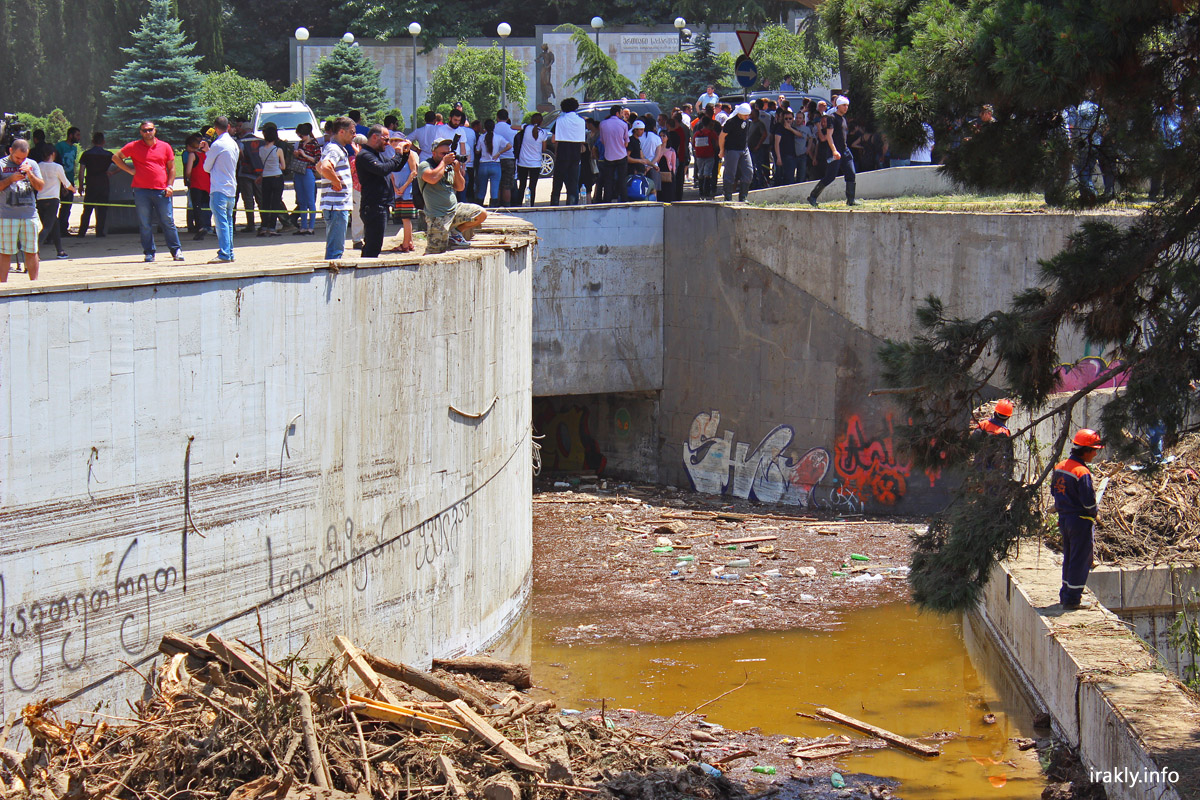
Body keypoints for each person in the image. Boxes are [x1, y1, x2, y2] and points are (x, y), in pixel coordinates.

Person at [113, 120, 184, 262]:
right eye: (144, 130)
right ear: (140, 132)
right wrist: (130, 170)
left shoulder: (164, 146)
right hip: (141, 191)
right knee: (145, 223)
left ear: (155, 130)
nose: (147, 132)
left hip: (161, 190)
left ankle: (176, 250)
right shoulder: (133, 146)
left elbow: (172, 168)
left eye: (150, 129)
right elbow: (116, 157)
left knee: (168, 220)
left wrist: (170, 186)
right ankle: (149, 252)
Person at [1051, 429, 1105, 610]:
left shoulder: (1060, 466)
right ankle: (1073, 600)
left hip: (1064, 519)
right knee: (1080, 559)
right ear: (1086, 450)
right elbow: (1088, 500)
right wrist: (1094, 513)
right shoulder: (1082, 472)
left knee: (1069, 557)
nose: (1096, 454)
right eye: (1094, 450)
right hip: (1080, 521)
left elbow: (1054, 491)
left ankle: (1065, 594)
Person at [418, 137, 487, 254]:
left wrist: (456, 171)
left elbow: (460, 187)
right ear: (433, 153)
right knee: (435, 252)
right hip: (437, 216)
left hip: (454, 211)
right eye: (442, 154)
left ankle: (455, 232)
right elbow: (432, 178)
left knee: (481, 213)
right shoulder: (425, 165)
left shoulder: (449, 167)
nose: (446, 156)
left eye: (448, 153)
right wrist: (444, 162)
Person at [355, 124, 411, 258]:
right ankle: (366, 271)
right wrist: (397, 153)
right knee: (372, 246)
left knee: (375, 244)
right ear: (375, 137)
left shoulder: (377, 155)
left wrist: (405, 153)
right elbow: (383, 169)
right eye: (386, 140)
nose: (387, 144)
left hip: (381, 206)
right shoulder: (365, 155)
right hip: (374, 206)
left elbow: (395, 167)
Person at [0, 139, 45, 281]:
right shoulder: (1, 164)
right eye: (17, 157)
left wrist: (30, 174)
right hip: (6, 215)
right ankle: (3, 285)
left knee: (32, 251)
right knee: (5, 252)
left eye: (23, 158)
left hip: (29, 214)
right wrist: (10, 179)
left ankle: (34, 284)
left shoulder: (32, 164)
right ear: (11, 151)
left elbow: (40, 187)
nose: (20, 161)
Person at [315, 116, 356, 260]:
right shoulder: (335, 149)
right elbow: (325, 167)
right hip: (336, 206)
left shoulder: (333, 148)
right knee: (335, 250)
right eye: (351, 132)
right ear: (341, 132)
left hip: (335, 205)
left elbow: (319, 166)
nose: (354, 135)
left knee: (335, 247)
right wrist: (337, 182)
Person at [806, 96, 856, 208]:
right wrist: (834, 151)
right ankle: (813, 196)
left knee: (851, 173)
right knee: (830, 176)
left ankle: (851, 200)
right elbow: (829, 136)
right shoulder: (832, 118)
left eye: (847, 105)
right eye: (844, 105)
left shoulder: (843, 118)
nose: (846, 107)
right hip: (836, 151)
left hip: (845, 150)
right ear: (838, 105)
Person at [203, 116, 239, 263]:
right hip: (231, 187)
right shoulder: (233, 144)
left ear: (216, 128)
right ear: (228, 127)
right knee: (228, 221)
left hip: (219, 187)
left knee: (221, 222)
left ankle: (224, 253)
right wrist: (208, 150)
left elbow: (206, 167)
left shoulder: (218, 144)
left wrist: (207, 151)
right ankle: (229, 252)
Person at [36, 147, 73, 259]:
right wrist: (73, 189)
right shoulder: (57, 167)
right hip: (52, 199)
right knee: (47, 227)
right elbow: (66, 182)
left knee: (54, 224)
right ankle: (34, 250)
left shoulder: (38, 166)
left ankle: (60, 251)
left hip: (40, 199)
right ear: (53, 154)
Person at [549, 97, 586, 206]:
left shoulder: (560, 120)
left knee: (558, 180)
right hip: (575, 152)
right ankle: (572, 202)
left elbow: (553, 139)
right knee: (573, 180)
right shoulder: (581, 121)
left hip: (562, 151)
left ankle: (555, 202)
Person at [387, 131, 420, 252]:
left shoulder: (409, 154)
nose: (395, 143)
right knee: (402, 217)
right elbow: (392, 174)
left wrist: (404, 187)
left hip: (407, 190)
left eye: (398, 140)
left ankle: (406, 244)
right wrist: (395, 188)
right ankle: (409, 242)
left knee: (406, 218)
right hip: (398, 190)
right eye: (393, 141)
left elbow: (414, 172)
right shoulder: (394, 156)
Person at [77, 132, 112, 237]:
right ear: (104, 142)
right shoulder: (108, 154)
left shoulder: (86, 154)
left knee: (87, 209)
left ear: (93, 142)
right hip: (103, 183)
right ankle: (100, 232)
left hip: (91, 183)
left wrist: (80, 185)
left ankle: (82, 232)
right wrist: (112, 172)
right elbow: (120, 164)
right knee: (102, 209)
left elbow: (81, 171)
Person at [970, 398, 1015, 479]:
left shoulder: (983, 425)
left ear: (995, 412)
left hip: (978, 468)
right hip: (994, 474)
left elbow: (972, 443)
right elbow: (1008, 457)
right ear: (1008, 417)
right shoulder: (1004, 432)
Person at [719, 103, 754, 202]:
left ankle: (743, 197)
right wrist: (722, 150)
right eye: (745, 115)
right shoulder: (731, 122)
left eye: (748, 115)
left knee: (748, 172)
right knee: (730, 174)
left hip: (744, 149)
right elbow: (722, 136)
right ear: (739, 113)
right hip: (732, 149)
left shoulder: (747, 121)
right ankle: (728, 197)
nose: (747, 117)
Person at [291, 122, 321, 235]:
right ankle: (303, 226)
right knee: (301, 200)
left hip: (308, 171)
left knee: (310, 200)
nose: (301, 137)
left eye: (302, 135)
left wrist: (304, 155)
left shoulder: (314, 144)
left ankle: (311, 227)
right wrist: (296, 154)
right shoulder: (300, 144)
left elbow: (316, 159)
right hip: (298, 171)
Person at [257, 125, 287, 236]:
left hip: (266, 177)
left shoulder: (261, 150)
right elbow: (283, 166)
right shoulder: (278, 150)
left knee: (265, 202)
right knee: (275, 202)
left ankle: (264, 226)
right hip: (277, 177)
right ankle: (272, 227)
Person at [235, 121, 264, 232]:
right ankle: (264, 223)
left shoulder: (240, 142)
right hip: (259, 173)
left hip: (245, 173)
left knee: (248, 200)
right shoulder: (261, 141)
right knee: (260, 199)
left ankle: (251, 224)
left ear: (243, 130)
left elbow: (240, 156)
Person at [598, 105, 629, 203]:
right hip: (621, 155)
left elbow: (602, 140)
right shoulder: (624, 124)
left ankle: (607, 199)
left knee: (608, 180)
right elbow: (626, 142)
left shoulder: (602, 124)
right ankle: (624, 200)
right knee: (622, 179)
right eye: (621, 113)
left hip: (608, 155)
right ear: (617, 113)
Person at [183, 134, 212, 241]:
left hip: (196, 183)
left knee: (197, 206)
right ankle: (207, 225)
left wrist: (188, 179)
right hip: (206, 183)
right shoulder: (205, 154)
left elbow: (188, 171)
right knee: (206, 206)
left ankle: (200, 227)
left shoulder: (192, 155)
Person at [54, 127, 81, 236]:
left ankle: (63, 228)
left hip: (70, 180)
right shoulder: (60, 146)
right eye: (77, 135)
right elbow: (57, 163)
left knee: (67, 206)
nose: (79, 137)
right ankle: (56, 229)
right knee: (58, 206)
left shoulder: (74, 148)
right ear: (70, 135)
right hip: (59, 180)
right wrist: (62, 183)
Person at [475, 119, 509, 207]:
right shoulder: (499, 137)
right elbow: (509, 146)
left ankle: (479, 209)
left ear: (484, 127)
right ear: (494, 127)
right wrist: (499, 153)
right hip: (495, 164)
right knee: (494, 190)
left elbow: (477, 151)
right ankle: (493, 209)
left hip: (483, 165)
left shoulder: (481, 137)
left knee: (481, 190)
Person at [445, 109, 476, 202]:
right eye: (455, 120)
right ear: (450, 118)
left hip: (457, 163)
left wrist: (463, 167)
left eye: (459, 120)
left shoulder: (461, 130)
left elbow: (463, 149)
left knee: (461, 189)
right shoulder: (441, 129)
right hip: (446, 163)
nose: (457, 123)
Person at [516, 113, 547, 207]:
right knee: (532, 186)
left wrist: (523, 126)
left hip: (523, 161)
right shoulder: (543, 133)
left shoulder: (526, 128)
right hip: (535, 163)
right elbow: (544, 149)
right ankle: (531, 204)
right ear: (541, 122)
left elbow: (513, 127)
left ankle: (518, 204)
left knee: (522, 185)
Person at [494, 110, 519, 206]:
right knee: (507, 185)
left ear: (497, 117)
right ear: (508, 118)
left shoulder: (494, 129)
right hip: (510, 159)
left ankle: (497, 205)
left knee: (498, 184)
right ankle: (507, 205)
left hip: (496, 159)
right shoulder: (512, 129)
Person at [692, 116, 718, 200]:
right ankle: (707, 191)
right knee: (708, 173)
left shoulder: (697, 133)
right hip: (709, 155)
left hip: (699, 155)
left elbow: (693, 144)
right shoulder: (712, 133)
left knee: (700, 172)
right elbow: (716, 144)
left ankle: (701, 191)